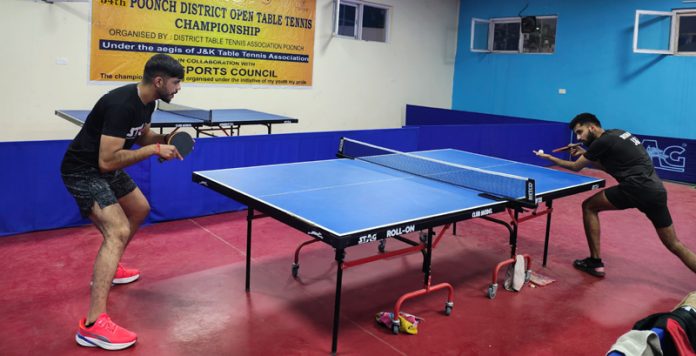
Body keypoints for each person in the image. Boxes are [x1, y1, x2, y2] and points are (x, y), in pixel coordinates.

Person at [61, 53, 185, 350]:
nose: (178, 88)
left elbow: (141, 136)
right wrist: (155, 150)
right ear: (159, 81)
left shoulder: (148, 103)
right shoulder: (120, 104)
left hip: (107, 167)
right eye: (176, 82)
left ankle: (112, 267)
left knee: (140, 208)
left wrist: (164, 141)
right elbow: (106, 161)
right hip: (83, 171)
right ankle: (92, 325)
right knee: (116, 231)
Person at [534, 113, 696, 278]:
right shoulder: (618, 134)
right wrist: (587, 155)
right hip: (656, 191)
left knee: (589, 206)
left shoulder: (602, 141)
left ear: (592, 127)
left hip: (635, 188)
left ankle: (595, 263)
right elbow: (610, 168)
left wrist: (550, 158)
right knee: (674, 244)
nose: (579, 137)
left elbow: (576, 167)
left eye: (580, 131)